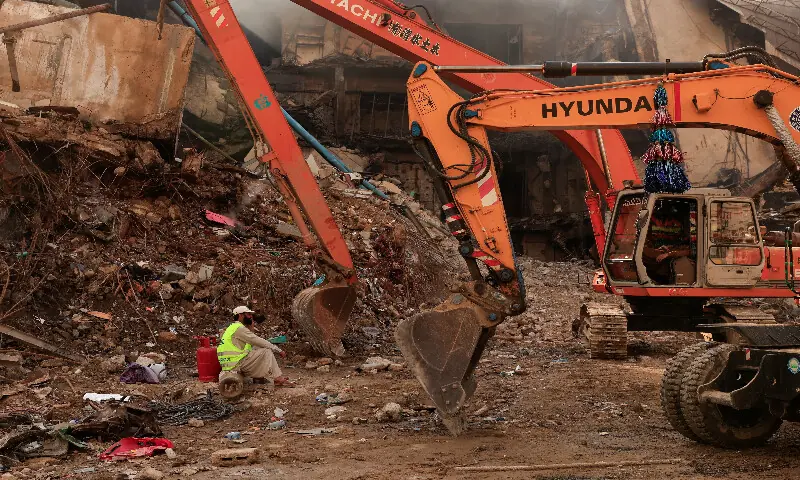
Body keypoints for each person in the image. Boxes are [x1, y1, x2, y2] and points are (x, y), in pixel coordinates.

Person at [217, 306, 292, 386]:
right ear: (240, 316)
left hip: (231, 363)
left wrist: (251, 327)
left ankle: (267, 377)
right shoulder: (239, 328)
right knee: (266, 351)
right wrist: (278, 350)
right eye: (248, 314)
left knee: (257, 350)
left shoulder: (232, 327)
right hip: (235, 363)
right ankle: (278, 378)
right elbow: (257, 341)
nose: (251, 317)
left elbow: (250, 344)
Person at [642, 201, 695, 285]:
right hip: (666, 249)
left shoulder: (684, 224)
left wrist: (669, 254)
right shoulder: (653, 221)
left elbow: (689, 249)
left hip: (673, 253)